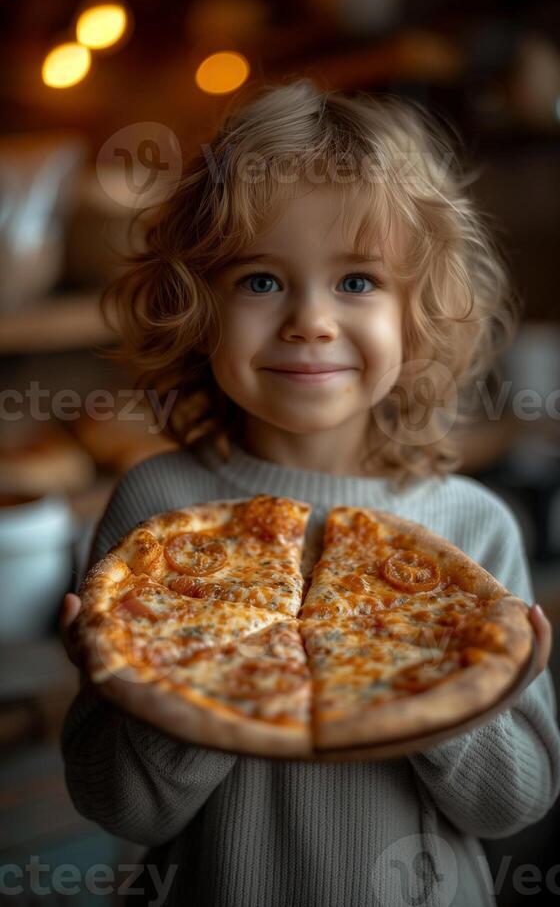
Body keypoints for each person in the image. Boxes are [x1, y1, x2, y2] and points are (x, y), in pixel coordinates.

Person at [59, 79, 559, 907]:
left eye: (357, 281)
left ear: (420, 311)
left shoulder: (473, 525)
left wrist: (449, 695)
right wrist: (170, 691)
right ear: (199, 305)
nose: (310, 322)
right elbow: (123, 810)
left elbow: (514, 805)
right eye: (260, 281)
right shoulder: (158, 507)